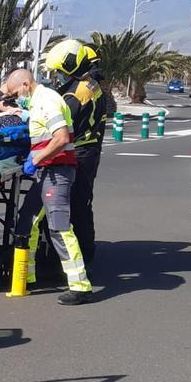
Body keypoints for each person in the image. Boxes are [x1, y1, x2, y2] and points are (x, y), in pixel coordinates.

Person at [8, 68, 94, 305]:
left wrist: (35, 159)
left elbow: (61, 137)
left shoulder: (47, 100)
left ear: (26, 84)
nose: (17, 98)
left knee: (59, 227)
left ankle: (80, 285)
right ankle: (29, 274)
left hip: (57, 171)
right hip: (46, 171)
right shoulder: (36, 103)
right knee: (29, 219)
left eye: (17, 93)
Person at [45, 39, 108, 265]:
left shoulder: (74, 95)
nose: (57, 76)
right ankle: (84, 254)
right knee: (82, 205)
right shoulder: (90, 83)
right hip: (89, 149)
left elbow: (59, 126)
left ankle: (74, 260)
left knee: (71, 206)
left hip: (79, 152)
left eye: (59, 72)